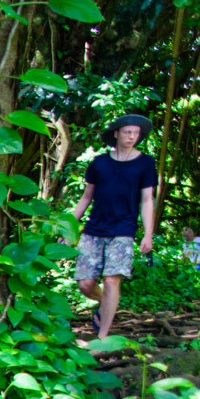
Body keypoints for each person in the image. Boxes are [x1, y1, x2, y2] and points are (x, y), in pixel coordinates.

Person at [70, 113, 157, 337]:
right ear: (116, 134)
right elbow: (86, 197)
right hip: (94, 228)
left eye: (136, 133)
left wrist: (148, 235)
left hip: (124, 229)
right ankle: (106, 304)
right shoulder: (100, 162)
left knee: (111, 281)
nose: (132, 137)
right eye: (128, 132)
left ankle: (102, 336)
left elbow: (147, 200)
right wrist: (68, 226)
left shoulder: (146, 163)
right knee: (85, 284)